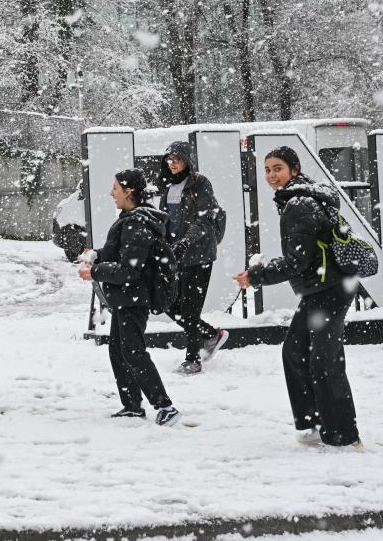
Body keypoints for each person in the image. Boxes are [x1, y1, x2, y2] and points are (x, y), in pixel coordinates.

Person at [233, 146, 362, 449]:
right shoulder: (299, 199)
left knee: (324, 361)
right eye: (267, 170)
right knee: (295, 351)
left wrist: (256, 275)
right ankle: (314, 423)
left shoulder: (299, 203)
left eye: (277, 168)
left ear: (294, 169)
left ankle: (344, 434)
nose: (271, 175)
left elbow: (297, 261)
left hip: (329, 289)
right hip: (322, 287)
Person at [79, 168, 181, 427]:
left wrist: (95, 271)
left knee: (133, 352)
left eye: (115, 188)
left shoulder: (137, 221)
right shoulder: (132, 218)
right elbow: (122, 252)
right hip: (126, 299)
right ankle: (132, 405)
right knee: (118, 351)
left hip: (133, 298)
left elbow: (129, 269)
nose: (111, 193)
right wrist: (97, 255)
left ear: (129, 191)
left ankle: (165, 406)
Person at [158, 141, 229, 375]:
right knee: (167, 303)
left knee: (190, 308)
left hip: (199, 255)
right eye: (169, 159)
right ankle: (210, 334)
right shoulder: (169, 187)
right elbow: (165, 221)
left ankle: (193, 359)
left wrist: (186, 241)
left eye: (177, 158)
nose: (172, 163)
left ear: (188, 160)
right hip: (175, 255)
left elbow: (204, 219)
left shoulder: (199, 183)